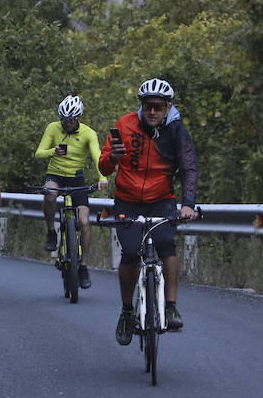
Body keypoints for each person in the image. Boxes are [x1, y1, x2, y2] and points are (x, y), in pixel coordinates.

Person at [99, 78, 199, 346]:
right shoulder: (125, 125)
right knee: (130, 254)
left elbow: (189, 167)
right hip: (127, 200)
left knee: (167, 245)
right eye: (147, 106)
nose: (152, 112)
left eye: (158, 107)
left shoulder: (176, 130)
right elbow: (105, 167)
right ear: (141, 106)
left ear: (168, 108)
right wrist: (114, 158)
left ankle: (172, 306)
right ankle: (126, 311)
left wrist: (188, 203)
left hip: (161, 199)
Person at [36, 95, 107, 287]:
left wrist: (102, 178)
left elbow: (97, 156)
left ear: (78, 117)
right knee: (49, 194)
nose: (66, 124)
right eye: (63, 120)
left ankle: (83, 266)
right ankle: (52, 231)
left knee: (84, 222)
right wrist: (53, 151)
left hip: (76, 178)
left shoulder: (88, 133)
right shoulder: (53, 128)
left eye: (70, 120)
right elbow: (38, 153)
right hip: (55, 174)